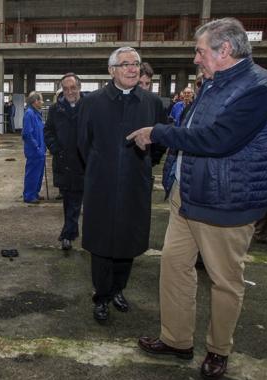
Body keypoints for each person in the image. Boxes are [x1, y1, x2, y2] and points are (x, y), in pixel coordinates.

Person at [127, 18, 267, 380]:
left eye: (200, 51)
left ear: (224, 50)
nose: (196, 59)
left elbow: (217, 140)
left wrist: (158, 132)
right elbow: (196, 130)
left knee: (224, 280)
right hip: (190, 195)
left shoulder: (257, 89)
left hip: (225, 202)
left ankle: (218, 350)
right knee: (174, 265)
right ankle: (177, 339)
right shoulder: (215, 83)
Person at [77, 47, 166, 322]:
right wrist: (101, 166)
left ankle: (118, 289)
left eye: (136, 64)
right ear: (111, 70)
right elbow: (83, 143)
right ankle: (101, 295)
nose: (132, 69)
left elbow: (160, 141)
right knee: (102, 243)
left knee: (128, 241)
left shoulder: (152, 102)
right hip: (101, 185)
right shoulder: (92, 102)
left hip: (134, 186)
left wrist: (141, 166)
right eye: (125, 64)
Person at [44, 73, 85, 251]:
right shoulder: (55, 109)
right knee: (69, 199)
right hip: (63, 161)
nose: (69, 92)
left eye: (73, 88)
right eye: (66, 88)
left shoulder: (89, 106)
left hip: (84, 162)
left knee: (77, 199)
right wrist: (55, 149)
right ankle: (71, 232)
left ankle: (67, 234)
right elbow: (48, 131)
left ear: (79, 88)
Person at [22, 91, 45, 204]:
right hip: (34, 150)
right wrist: (36, 147)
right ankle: (29, 196)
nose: (42, 102)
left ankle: (35, 193)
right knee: (32, 173)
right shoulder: (29, 114)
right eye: (40, 100)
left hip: (40, 149)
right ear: (35, 101)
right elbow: (27, 134)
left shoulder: (37, 113)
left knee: (38, 174)